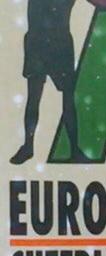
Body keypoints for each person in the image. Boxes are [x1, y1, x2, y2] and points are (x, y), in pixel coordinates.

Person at [11, 0, 88, 165]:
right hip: (38, 43)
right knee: (35, 97)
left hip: (59, 44)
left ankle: (74, 149)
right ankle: (29, 146)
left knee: (67, 98)